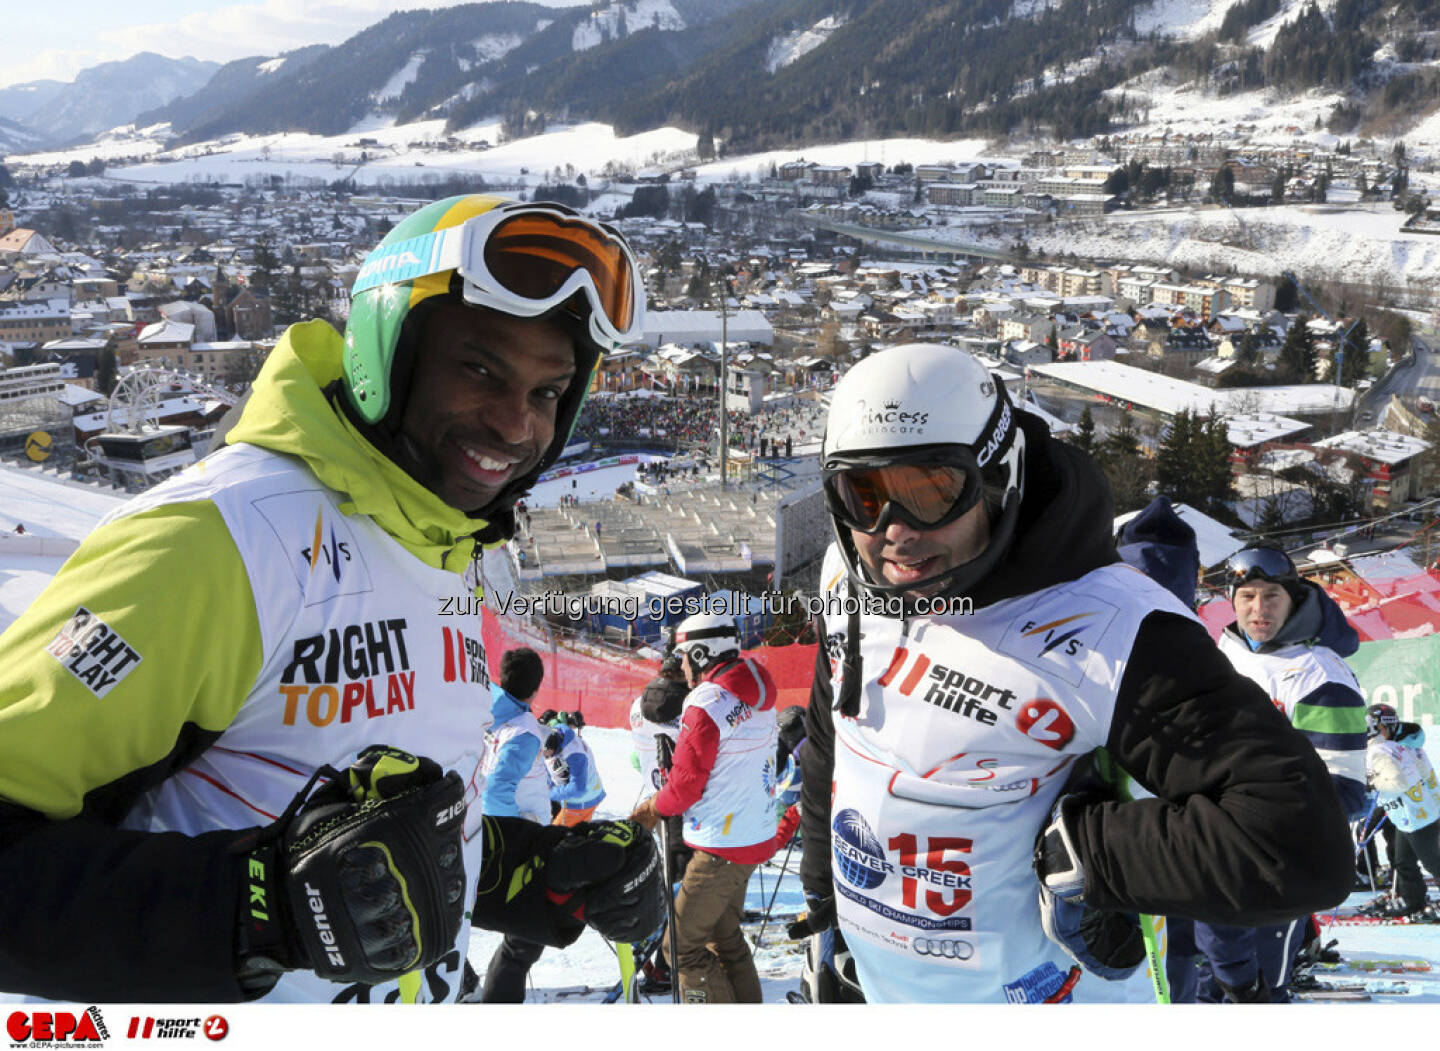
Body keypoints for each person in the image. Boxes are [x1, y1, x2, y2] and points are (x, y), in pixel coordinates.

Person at [0, 194, 665, 1003]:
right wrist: (260, 910)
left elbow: (371, 836)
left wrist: (534, 872)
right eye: (480, 369)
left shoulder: (447, 541)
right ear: (388, 353)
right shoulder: (221, 543)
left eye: (547, 393)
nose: (514, 425)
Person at [794, 342, 1353, 1003]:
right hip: (886, 991)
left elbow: (1300, 842)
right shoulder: (847, 577)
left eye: (931, 491)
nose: (896, 531)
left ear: (997, 476)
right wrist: (823, 892)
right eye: (863, 495)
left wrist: (1094, 854)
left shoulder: (1112, 628)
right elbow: (837, 727)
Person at [1188, 544, 1372, 1002]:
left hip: (1276, 869)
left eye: (1271, 595)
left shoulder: (1318, 676)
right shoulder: (1220, 655)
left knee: (1256, 995)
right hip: (1208, 858)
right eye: (1246, 595)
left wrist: (1249, 821)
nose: (1258, 609)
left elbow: (1343, 791)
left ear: (1293, 597)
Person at [630, 611, 779, 1003]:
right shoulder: (757, 687)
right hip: (752, 835)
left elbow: (684, 787)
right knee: (723, 935)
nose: (680, 665)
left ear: (699, 654)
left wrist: (652, 809)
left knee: (678, 947)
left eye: (683, 656)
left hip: (721, 846)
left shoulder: (707, 701)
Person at [467, 646, 552, 1003]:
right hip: (517, 837)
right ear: (535, 690)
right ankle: (493, 1000)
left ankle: (463, 983)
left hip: (481, 827)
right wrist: (517, 832)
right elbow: (499, 791)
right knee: (528, 934)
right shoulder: (525, 732)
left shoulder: (485, 701)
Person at [1361, 703, 1440, 920]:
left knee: (1432, 861)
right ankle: (1412, 899)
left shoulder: (1381, 750)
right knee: (1403, 860)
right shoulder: (1402, 744)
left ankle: (1412, 897)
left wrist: (1372, 783)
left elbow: (1399, 782)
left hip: (1417, 814)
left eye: (1368, 726)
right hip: (1410, 813)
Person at [541, 711, 605, 826]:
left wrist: (547, 793)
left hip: (582, 802)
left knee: (554, 838)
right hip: (588, 793)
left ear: (552, 747)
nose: (545, 757)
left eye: (547, 755)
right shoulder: (559, 731)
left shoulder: (574, 754)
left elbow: (578, 788)